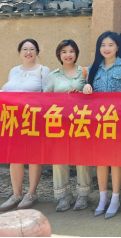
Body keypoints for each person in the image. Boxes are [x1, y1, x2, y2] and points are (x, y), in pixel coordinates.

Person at [83, 32, 121, 220]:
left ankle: (115, 199)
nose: (106, 48)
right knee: (101, 160)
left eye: (111, 45)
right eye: (103, 45)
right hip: (97, 123)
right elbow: (85, 97)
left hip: (117, 121)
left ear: (117, 47)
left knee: (115, 160)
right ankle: (102, 198)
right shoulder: (91, 69)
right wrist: (85, 88)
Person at [0, 39, 51, 212]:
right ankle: (16, 194)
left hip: (34, 119)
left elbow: (48, 96)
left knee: (33, 156)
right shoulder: (14, 71)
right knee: (15, 156)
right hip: (13, 119)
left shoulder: (43, 70)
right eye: (25, 49)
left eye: (32, 49)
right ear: (19, 52)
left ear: (37, 52)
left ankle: (31, 193)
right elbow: (6, 94)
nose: (28, 52)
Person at [44, 40, 92, 213]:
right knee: (59, 158)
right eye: (64, 51)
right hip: (59, 123)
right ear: (59, 54)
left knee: (82, 157)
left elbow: (94, 96)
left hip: (81, 123)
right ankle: (64, 196)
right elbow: (45, 100)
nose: (68, 55)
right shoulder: (53, 76)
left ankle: (83, 195)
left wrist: (83, 92)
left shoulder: (85, 72)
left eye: (71, 51)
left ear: (76, 53)